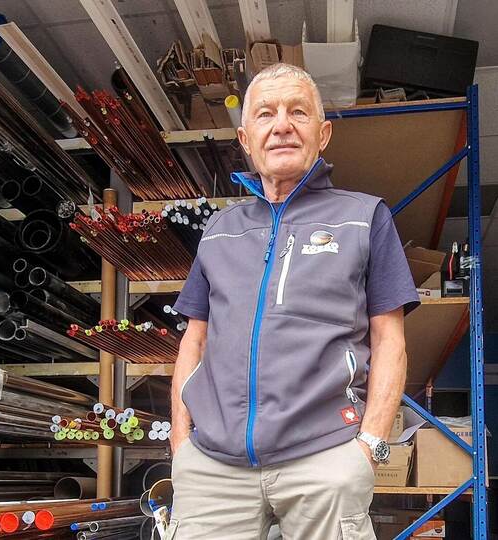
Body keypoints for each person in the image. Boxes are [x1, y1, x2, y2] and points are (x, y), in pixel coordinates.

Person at [168, 63, 420, 539]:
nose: (282, 125)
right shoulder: (220, 230)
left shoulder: (364, 217)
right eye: (265, 114)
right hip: (213, 471)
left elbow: (390, 341)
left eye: (298, 112)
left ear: (322, 134)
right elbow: (194, 341)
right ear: (245, 138)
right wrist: (181, 444)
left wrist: (370, 446)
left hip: (324, 459)